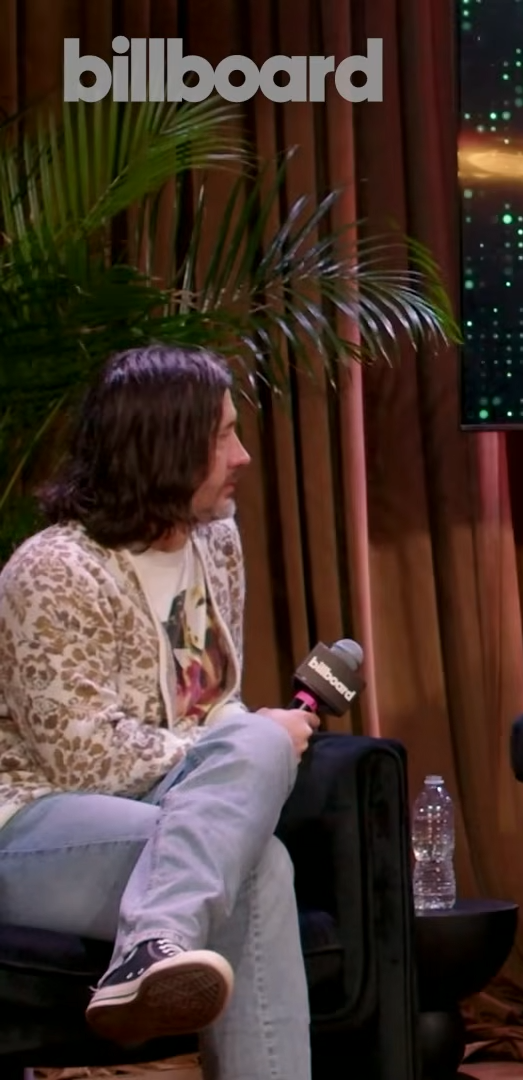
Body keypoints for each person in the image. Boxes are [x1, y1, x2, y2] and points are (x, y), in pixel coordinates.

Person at [0, 346, 317, 1078]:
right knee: (256, 833)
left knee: (258, 797)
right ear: (164, 448)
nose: (242, 456)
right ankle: (156, 937)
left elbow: (214, 705)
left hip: (167, 807)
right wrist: (240, 744)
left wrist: (242, 739)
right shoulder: (53, 570)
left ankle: (152, 943)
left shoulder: (216, 542)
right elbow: (84, 760)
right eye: (223, 436)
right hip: (32, 822)